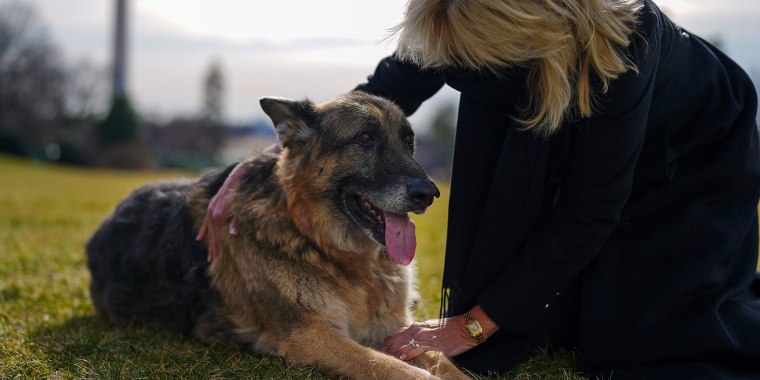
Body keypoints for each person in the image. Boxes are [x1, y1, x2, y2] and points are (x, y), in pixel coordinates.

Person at [198, 0, 760, 378]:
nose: (452, 62)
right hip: (572, 110)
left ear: (520, 35)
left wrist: (472, 325)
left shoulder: (623, 45)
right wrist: (264, 164)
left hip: (691, 150)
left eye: (467, 54)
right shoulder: (455, 15)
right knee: (544, 326)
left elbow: (590, 208)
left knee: (644, 344)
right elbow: (376, 95)